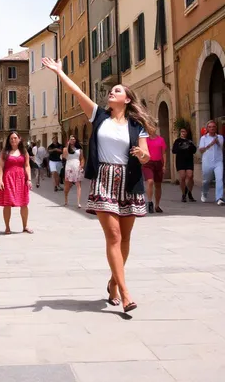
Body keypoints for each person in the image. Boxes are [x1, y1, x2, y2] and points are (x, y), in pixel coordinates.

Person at [43, 57, 153, 313]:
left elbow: (146, 155)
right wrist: (60, 72)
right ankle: (126, 294)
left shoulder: (137, 126)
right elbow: (77, 91)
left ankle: (114, 282)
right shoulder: (98, 115)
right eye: (111, 90)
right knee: (113, 236)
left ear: (126, 99)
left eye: (117, 90)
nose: (111, 92)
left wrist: (141, 155)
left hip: (129, 180)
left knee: (125, 238)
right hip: (104, 179)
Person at [0, 132, 33, 234]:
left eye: (15, 138)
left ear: (19, 139)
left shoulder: (24, 151)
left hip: (21, 179)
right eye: (11, 138)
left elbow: (27, 166)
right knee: (7, 203)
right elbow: (0, 167)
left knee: (24, 203)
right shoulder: (5, 151)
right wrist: (0, 180)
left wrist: (29, 179)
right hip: (8, 179)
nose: (13, 140)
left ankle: (25, 226)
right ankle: (7, 227)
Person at [199, 120, 225, 205]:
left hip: (218, 162)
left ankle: (219, 198)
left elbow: (221, 147)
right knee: (206, 180)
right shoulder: (204, 138)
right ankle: (204, 192)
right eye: (210, 127)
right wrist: (210, 144)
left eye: (213, 127)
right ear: (207, 128)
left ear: (216, 128)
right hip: (207, 162)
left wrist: (216, 142)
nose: (212, 128)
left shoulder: (220, 137)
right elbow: (201, 150)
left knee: (219, 179)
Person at [142, 132, 167, 214]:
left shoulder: (161, 139)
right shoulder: (145, 140)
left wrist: (164, 165)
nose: (151, 130)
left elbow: (163, 153)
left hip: (158, 163)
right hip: (148, 163)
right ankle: (149, 203)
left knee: (158, 184)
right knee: (150, 181)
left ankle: (157, 205)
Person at [172, 128, 197, 202]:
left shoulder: (189, 141)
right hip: (180, 160)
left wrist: (190, 146)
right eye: (182, 131)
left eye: (184, 131)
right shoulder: (177, 141)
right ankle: (183, 194)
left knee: (190, 176)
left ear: (187, 133)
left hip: (189, 160)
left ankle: (189, 192)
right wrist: (180, 147)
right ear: (180, 133)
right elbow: (174, 150)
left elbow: (194, 150)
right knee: (182, 177)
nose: (183, 133)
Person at [63, 135, 84, 208]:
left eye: (74, 139)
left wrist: (81, 166)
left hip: (77, 167)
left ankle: (78, 202)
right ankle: (66, 199)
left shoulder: (79, 149)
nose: (73, 140)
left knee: (78, 185)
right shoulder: (65, 149)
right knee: (67, 186)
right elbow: (64, 156)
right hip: (69, 168)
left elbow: (82, 159)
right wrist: (67, 145)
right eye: (71, 139)